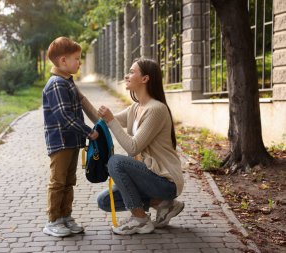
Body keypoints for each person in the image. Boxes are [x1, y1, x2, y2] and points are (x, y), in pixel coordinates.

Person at [96, 58, 185, 235]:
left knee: (116, 162)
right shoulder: (135, 108)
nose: (126, 75)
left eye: (131, 71)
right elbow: (103, 121)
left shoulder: (156, 109)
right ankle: (163, 204)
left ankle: (140, 219)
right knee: (105, 201)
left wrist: (111, 119)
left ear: (145, 79)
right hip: (148, 176)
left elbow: (133, 147)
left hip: (165, 180)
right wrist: (78, 98)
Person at [42, 36, 99, 237]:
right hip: (61, 142)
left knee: (69, 180)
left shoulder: (67, 81)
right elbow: (64, 117)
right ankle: (53, 220)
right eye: (76, 58)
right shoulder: (57, 84)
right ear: (63, 61)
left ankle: (65, 216)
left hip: (72, 141)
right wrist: (89, 132)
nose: (80, 62)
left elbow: (82, 104)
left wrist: (99, 122)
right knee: (58, 181)